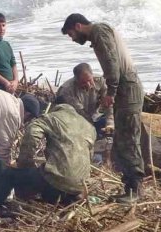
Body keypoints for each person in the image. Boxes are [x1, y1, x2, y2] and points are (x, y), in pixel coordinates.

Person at [62, 13, 144, 204]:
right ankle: (130, 187)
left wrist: (111, 93)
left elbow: (111, 64)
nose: (73, 39)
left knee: (128, 140)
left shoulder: (99, 32)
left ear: (78, 26)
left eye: (71, 34)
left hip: (127, 89)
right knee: (123, 140)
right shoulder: (102, 31)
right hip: (126, 88)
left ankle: (135, 189)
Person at [0, 101, 95, 207]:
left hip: (55, 182)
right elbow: (90, 156)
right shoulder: (89, 127)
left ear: (55, 107)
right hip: (79, 187)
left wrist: (25, 163)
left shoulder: (53, 117)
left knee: (9, 174)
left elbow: (32, 133)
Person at [57, 62, 114, 136]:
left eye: (90, 80)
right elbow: (80, 113)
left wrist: (110, 123)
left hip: (95, 116)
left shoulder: (100, 81)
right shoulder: (67, 90)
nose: (88, 85)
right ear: (76, 80)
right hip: (75, 120)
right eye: (83, 82)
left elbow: (108, 104)